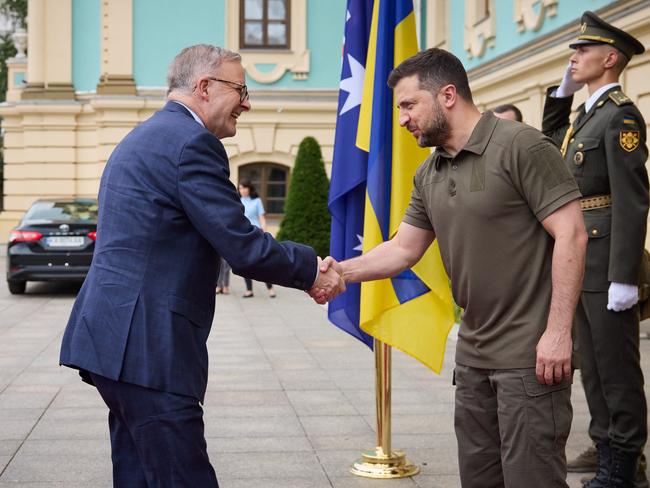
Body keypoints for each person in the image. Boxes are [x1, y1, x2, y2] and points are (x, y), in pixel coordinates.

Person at [59, 44, 344, 488]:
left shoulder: (145, 136)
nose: (247, 102)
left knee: (138, 473)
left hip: (113, 340)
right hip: (149, 348)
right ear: (205, 87)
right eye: (241, 89)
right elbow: (242, 244)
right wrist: (312, 270)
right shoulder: (193, 144)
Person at [315, 47, 587, 488]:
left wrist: (558, 332)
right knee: (479, 479)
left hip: (529, 357)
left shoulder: (522, 145)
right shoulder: (429, 171)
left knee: (532, 479)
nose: (402, 119)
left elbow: (572, 234)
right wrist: (340, 273)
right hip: (474, 355)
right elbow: (404, 248)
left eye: (408, 105)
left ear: (446, 95)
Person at [542, 11, 649, 488]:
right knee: (593, 368)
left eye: (582, 50)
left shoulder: (621, 115)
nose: (573, 56)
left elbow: (632, 198)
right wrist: (561, 96)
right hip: (580, 255)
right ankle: (607, 456)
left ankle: (625, 466)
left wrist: (625, 273)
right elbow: (547, 147)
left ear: (610, 58)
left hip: (606, 260)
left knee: (617, 369)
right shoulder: (585, 115)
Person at [238, 178, 276, 298]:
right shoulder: (237, 201)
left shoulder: (257, 201)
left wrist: (265, 232)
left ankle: (270, 288)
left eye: (244, 188)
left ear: (249, 188)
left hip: (257, 234)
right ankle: (249, 290)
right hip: (243, 235)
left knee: (262, 262)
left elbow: (262, 218)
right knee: (245, 263)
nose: (242, 190)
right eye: (240, 188)